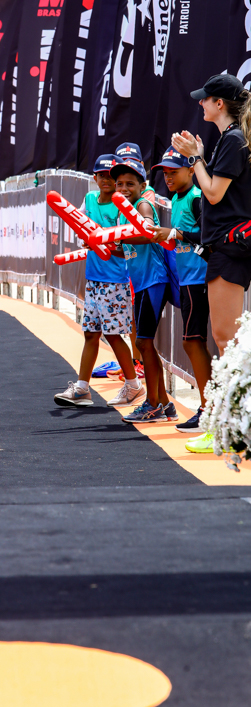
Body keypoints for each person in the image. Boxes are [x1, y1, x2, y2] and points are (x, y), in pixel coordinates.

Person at [171, 73, 251, 453]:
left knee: (226, 341)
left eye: (205, 99)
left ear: (220, 103)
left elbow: (215, 193)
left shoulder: (233, 140)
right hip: (225, 248)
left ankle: (229, 429)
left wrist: (195, 158)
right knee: (226, 340)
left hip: (229, 250)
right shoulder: (231, 138)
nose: (200, 104)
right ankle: (228, 426)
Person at [54, 154, 141, 409]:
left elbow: (124, 246)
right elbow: (81, 227)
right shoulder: (90, 199)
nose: (107, 180)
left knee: (114, 335)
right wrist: (87, 240)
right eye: (102, 175)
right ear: (94, 178)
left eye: (111, 176)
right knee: (91, 333)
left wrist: (101, 243)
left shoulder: (122, 205)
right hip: (93, 278)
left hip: (115, 279)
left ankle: (134, 385)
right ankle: (82, 388)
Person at [111, 158, 178, 424]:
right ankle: (163, 403)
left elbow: (148, 230)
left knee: (143, 342)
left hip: (154, 280)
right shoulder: (121, 209)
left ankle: (153, 405)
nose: (124, 188)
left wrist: (115, 236)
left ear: (143, 185)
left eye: (130, 183)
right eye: (119, 183)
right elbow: (125, 248)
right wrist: (102, 245)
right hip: (141, 282)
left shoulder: (142, 204)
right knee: (144, 342)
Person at [151, 146, 211, 436]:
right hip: (187, 280)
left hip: (199, 279)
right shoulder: (177, 198)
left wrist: (175, 234)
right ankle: (209, 407)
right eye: (164, 172)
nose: (168, 177)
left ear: (191, 170)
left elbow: (211, 236)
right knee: (193, 342)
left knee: (192, 342)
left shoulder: (198, 198)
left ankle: (208, 409)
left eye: (173, 171)